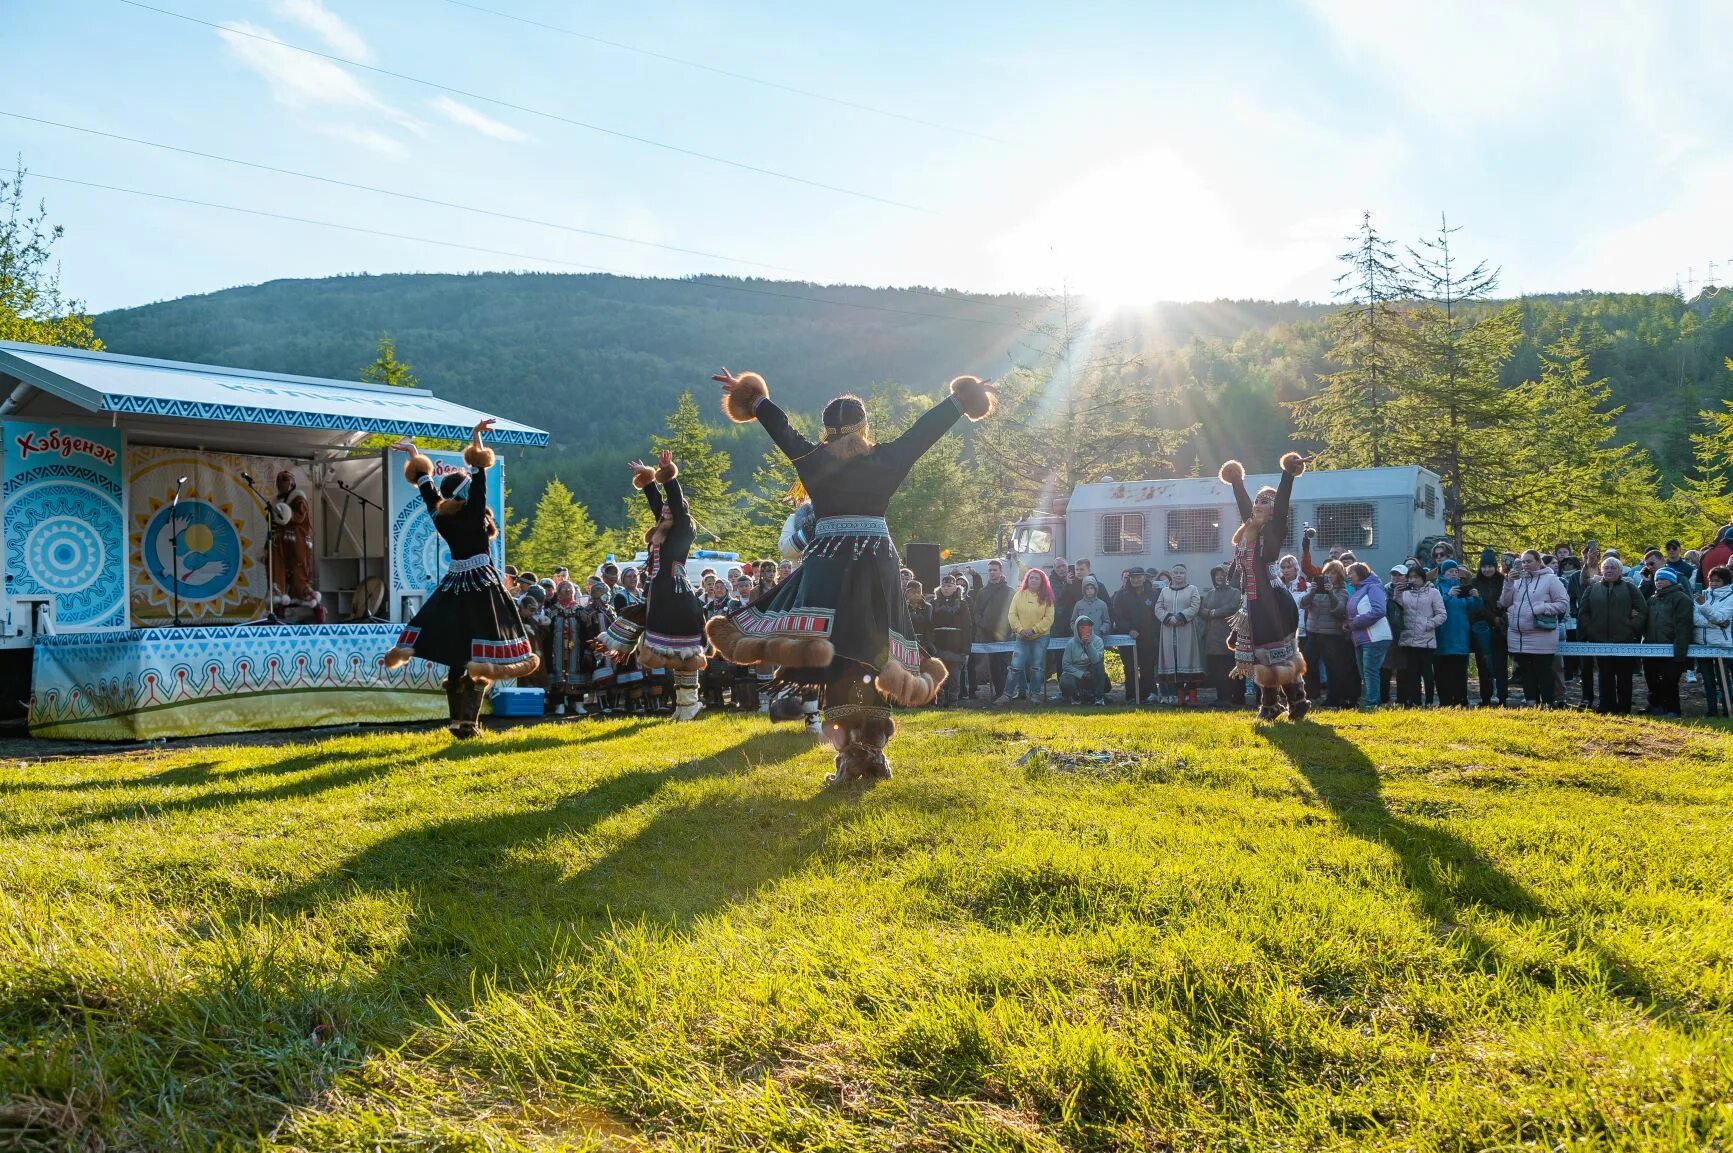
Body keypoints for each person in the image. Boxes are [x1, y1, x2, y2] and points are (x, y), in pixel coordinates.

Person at [708, 368, 994, 782]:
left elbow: (781, 428)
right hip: (876, 561)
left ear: (825, 431)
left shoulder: (814, 458)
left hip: (828, 563)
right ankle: (873, 751)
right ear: (865, 427)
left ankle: (849, 755)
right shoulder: (887, 458)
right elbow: (924, 430)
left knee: (837, 653)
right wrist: (960, 400)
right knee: (880, 648)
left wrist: (753, 399)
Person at [385, 421, 538, 737]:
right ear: (466, 493)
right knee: (479, 653)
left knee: (459, 651)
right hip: (482, 585)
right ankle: (468, 722)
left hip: (454, 586)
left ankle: (458, 721)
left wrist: (414, 452)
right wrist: (476, 437)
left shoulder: (442, 517)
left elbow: (427, 487)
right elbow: (480, 474)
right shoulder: (474, 510)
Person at [600, 450, 708, 720]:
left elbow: (674, 502)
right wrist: (647, 480)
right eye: (663, 512)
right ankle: (683, 706)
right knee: (671, 654)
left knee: (684, 652)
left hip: (677, 596)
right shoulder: (664, 529)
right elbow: (658, 504)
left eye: (669, 509)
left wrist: (668, 475)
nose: (664, 512)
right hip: (662, 595)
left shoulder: (682, 529)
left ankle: (690, 703)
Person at [1219, 453, 1311, 721]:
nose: (1260, 504)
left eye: (1266, 502)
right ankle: (1288, 701)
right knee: (1267, 655)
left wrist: (1287, 475)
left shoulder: (1273, 531)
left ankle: (1278, 703)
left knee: (1271, 655)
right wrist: (1236, 481)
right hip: (1254, 600)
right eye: (1258, 500)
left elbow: (1281, 505)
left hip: (1271, 600)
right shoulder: (1251, 531)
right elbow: (1245, 507)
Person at [1498, 549, 1569, 708]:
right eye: (1523, 562)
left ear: (1538, 561)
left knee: (1543, 672)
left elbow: (1563, 604)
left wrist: (1541, 608)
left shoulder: (1551, 580)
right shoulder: (1517, 580)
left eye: (1529, 561)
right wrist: (1508, 582)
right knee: (1526, 672)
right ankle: (1532, 703)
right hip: (1518, 635)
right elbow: (1505, 602)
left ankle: (1548, 703)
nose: (1525, 565)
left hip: (1541, 634)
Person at [1577, 556, 1645, 715]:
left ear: (1620, 571)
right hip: (1599, 640)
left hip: (1625, 640)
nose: (1609, 570)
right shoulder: (1592, 589)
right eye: (1606, 567)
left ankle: (1624, 708)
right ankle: (1606, 706)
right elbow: (1583, 612)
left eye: (1613, 568)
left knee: (1624, 676)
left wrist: (1632, 627)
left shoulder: (1630, 588)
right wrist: (1590, 630)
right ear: (1602, 570)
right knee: (1604, 675)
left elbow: (1642, 610)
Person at [1298, 562, 1352, 707]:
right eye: (1327, 573)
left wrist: (1331, 593)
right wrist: (1312, 592)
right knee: (1308, 665)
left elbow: (1339, 610)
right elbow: (1303, 604)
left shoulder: (1342, 591)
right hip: (1314, 633)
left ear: (1339, 576)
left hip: (1332, 636)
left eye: (1333, 573)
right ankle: (1311, 694)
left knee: (1332, 668)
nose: (1329, 576)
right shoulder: (1316, 589)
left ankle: (1333, 698)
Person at [999, 568, 1055, 705]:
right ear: (1027, 580)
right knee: (1015, 666)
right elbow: (1012, 614)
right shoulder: (1019, 595)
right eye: (1031, 578)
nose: (1034, 580)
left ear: (1042, 581)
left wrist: (1034, 630)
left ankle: (1035, 695)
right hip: (1021, 636)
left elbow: (1049, 619)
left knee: (1037, 667)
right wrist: (1020, 630)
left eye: (1037, 578)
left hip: (1041, 637)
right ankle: (1007, 695)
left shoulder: (1048, 597)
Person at [1643, 567, 1693, 717]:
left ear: (1671, 580)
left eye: (1662, 579)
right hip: (1651, 648)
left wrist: (1679, 654)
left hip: (1672, 649)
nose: (1658, 582)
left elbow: (1683, 627)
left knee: (1670, 682)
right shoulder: (1652, 599)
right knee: (1652, 681)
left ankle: (1673, 710)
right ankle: (1656, 707)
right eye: (1656, 579)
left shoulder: (1682, 599)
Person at [1394, 564, 1447, 707]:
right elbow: (1398, 611)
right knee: (1412, 673)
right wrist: (1397, 594)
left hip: (1426, 639)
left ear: (1422, 578)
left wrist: (1427, 624)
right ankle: (1414, 700)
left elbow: (1442, 614)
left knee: (1427, 672)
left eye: (1416, 577)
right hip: (1408, 638)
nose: (1413, 580)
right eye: (1410, 577)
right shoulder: (1405, 593)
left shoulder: (1433, 592)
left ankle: (1429, 701)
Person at [269, 467, 319, 611]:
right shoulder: (275, 502)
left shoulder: (298, 498)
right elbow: (272, 523)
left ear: (291, 483)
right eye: (278, 480)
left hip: (298, 543)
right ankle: (280, 607)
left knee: (299, 574)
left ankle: (316, 608)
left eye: (284, 479)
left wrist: (287, 515)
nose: (280, 483)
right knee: (279, 573)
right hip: (281, 543)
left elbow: (299, 516)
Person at [1433, 561, 1481, 707]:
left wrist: (1476, 597)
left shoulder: (1462, 589)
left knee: (1460, 671)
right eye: (1450, 572)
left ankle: (1461, 700)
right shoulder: (1438, 588)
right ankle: (1445, 701)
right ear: (1443, 573)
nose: (1453, 574)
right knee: (1442, 672)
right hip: (1443, 636)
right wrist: (1448, 595)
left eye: (1455, 571)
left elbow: (1475, 608)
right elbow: (1433, 606)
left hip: (1461, 637)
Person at [1155, 563, 1204, 705]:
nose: (1178, 575)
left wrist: (1180, 617)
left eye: (1181, 572)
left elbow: (1195, 606)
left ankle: (1193, 697)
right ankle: (1180, 698)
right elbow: (1158, 607)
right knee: (1173, 662)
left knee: (1189, 661)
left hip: (1186, 630)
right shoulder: (1165, 591)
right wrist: (1168, 617)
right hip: (1169, 631)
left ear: (1186, 575)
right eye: (1175, 572)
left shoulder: (1192, 589)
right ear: (1172, 575)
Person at [1345, 562, 1391, 711]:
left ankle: (1372, 704)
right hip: (1361, 638)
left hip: (1375, 637)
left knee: (1370, 671)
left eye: (1351, 573)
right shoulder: (1358, 590)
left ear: (1360, 574)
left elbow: (1379, 610)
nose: (1348, 576)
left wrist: (1356, 622)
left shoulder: (1373, 588)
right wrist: (1348, 624)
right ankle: (1372, 702)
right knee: (1365, 672)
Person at [1111, 567, 1159, 704]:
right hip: (1128, 638)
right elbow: (1117, 615)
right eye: (1132, 577)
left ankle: (1148, 695)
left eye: (1138, 577)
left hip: (1148, 638)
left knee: (1147, 667)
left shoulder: (1154, 594)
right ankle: (1132, 696)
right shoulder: (1121, 595)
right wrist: (1129, 629)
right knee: (1130, 668)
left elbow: (1157, 615)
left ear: (1144, 578)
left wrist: (1149, 631)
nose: (1135, 580)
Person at [1198, 565, 1243, 708]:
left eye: (1223, 574)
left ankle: (1233, 697)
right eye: (1217, 575)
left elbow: (1232, 608)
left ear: (1228, 576)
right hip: (1212, 638)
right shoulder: (1209, 594)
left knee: (1230, 668)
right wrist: (1212, 613)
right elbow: (1202, 610)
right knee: (1216, 670)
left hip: (1229, 637)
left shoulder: (1235, 592)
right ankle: (1221, 697)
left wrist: (1213, 613)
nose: (1220, 577)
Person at [1469, 549, 1509, 706]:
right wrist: (1493, 618)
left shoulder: (1503, 581)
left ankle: (1502, 698)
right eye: (1483, 566)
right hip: (1482, 628)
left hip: (1500, 630)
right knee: (1483, 665)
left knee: (1500, 665)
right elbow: (1476, 606)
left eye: (1490, 566)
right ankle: (1485, 698)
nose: (1487, 570)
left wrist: (1501, 617)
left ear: (1495, 566)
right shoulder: (1475, 583)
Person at [928, 572, 974, 706]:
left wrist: (966, 649)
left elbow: (968, 627)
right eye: (944, 585)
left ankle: (953, 701)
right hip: (938, 645)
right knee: (938, 675)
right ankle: (939, 701)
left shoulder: (962, 604)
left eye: (949, 585)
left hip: (956, 646)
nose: (946, 588)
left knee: (954, 676)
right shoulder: (933, 603)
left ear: (955, 587)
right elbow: (929, 625)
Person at [972, 559, 1014, 701]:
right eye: (990, 570)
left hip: (1006, 635)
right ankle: (999, 692)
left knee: (1006, 665)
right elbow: (976, 612)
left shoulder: (1010, 591)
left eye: (995, 570)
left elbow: (1014, 612)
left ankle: (1007, 692)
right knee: (994, 665)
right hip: (988, 634)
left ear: (1001, 571)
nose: (992, 572)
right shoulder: (982, 592)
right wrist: (982, 624)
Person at [1694, 566, 1733, 717]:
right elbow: (1695, 618)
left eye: (1717, 580)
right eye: (1711, 580)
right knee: (1707, 679)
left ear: (1726, 581)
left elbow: (1721, 617)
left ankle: (1727, 710)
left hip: (1721, 644)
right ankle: (1711, 710)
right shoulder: (1702, 594)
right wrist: (1715, 622)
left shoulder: (1730, 597)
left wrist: (1704, 606)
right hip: (1701, 644)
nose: (1713, 583)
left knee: (1724, 680)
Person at [1059, 617, 1107, 705]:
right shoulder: (1071, 643)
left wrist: (1089, 644)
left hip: (1092, 674)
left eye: (1089, 627)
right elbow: (1066, 665)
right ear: (1077, 629)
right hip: (1076, 675)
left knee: (1100, 668)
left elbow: (1096, 660)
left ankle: (1099, 698)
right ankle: (1076, 697)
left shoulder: (1098, 641)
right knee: (1065, 681)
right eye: (1082, 627)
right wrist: (1081, 674)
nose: (1086, 629)